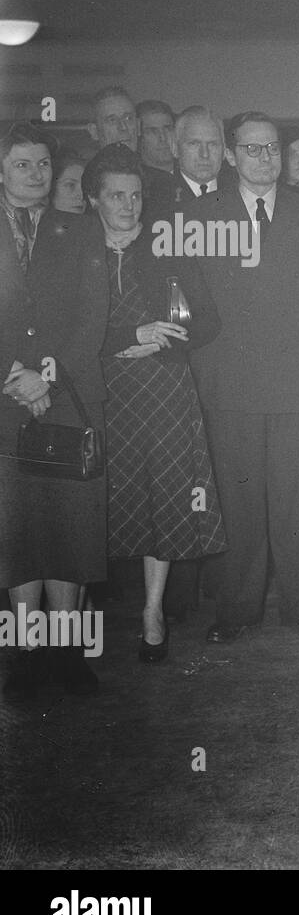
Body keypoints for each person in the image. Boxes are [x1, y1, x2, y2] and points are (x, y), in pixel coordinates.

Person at [188, 111, 299, 642]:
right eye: (253, 150)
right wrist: (201, 356)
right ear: (231, 156)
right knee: (238, 501)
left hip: (293, 380)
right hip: (228, 383)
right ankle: (237, 611)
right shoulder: (200, 214)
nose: (265, 159)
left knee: (295, 499)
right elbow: (180, 293)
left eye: (273, 149)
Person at [89, 144, 226, 663]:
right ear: (94, 199)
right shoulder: (80, 251)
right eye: (116, 195)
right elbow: (68, 330)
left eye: (136, 195)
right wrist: (131, 331)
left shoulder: (169, 247)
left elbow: (207, 319)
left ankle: (152, 612)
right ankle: (75, 617)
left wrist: (166, 337)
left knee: (165, 496)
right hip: (101, 392)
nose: (129, 205)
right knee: (98, 502)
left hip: (163, 390)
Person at [0, 122, 109, 698]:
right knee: (17, 529)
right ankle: (23, 651)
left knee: (68, 524)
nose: (36, 174)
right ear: (1, 169)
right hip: (4, 401)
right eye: (22, 164)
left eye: (43, 164)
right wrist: (11, 377)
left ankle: (66, 650)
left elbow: (93, 314)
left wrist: (45, 376)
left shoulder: (81, 230)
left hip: (66, 394)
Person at [87, 86, 171, 208]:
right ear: (94, 131)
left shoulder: (164, 185)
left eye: (128, 118)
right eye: (112, 120)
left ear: (137, 126)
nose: (123, 127)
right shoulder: (80, 183)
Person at [136, 100, 176, 176]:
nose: (163, 138)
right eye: (153, 131)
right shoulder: (133, 182)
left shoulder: (194, 175)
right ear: (139, 137)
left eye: (167, 128)